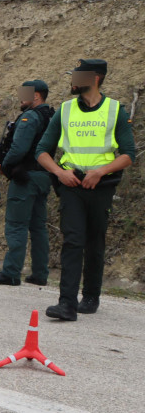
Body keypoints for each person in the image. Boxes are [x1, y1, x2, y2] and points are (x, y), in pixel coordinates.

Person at [35, 59, 136, 321]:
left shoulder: (115, 110)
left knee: (95, 241)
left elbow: (128, 155)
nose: (72, 81)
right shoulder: (65, 110)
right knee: (73, 240)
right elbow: (42, 152)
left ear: (95, 78)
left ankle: (90, 295)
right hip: (71, 184)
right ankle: (66, 304)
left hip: (101, 185)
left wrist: (100, 172)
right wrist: (59, 172)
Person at [0, 80, 55, 287]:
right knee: (38, 226)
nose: (21, 98)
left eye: (26, 94)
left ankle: (11, 272)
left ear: (37, 96)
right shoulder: (50, 116)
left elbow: (18, 149)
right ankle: (40, 273)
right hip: (43, 176)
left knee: (16, 225)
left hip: (26, 178)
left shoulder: (30, 117)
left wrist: (4, 166)